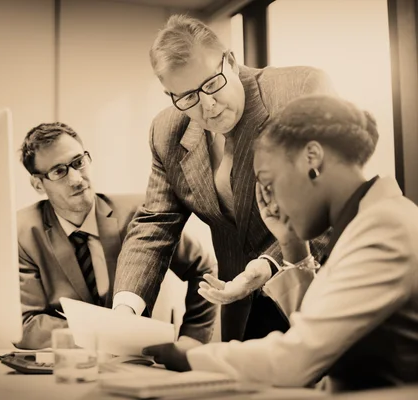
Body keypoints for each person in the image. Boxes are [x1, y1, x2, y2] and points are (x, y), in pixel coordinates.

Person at [142, 94, 418, 391]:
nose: (270, 205)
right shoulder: (368, 221)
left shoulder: (384, 227)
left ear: (312, 158)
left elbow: (298, 361)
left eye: (269, 183)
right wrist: (291, 244)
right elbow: (319, 332)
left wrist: (192, 355)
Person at [113, 14, 337, 342]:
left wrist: (267, 265)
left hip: (323, 289)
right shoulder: (166, 132)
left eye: (211, 83)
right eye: (187, 97)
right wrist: (125, 309)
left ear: (230, 61)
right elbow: (155, 223)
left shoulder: (298, 92)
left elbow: (329, 199)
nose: (208, 105)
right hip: (241, 306)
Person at [14, 122, 218, 349]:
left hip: (139, 362)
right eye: (59, 171)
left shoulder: (141, 215)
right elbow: (26, 325)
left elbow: (204, 269)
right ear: (38, 184)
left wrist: (193, 338)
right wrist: (105, 332)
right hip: (68, 365)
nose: (76, 179)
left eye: (78, 163)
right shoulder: (23, 233)